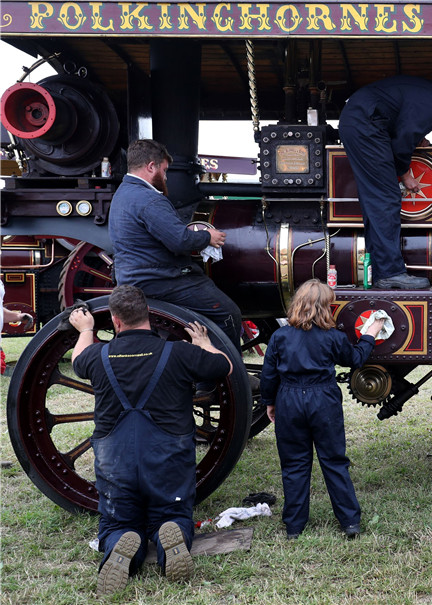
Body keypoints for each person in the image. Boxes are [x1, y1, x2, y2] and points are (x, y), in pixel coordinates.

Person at [69, 285, 232, 595]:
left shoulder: (97, 355)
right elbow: (224, 365)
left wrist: (86, 329)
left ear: (116, 321)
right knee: (172, 515)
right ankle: (169, 535)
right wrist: (203, 342)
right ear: (149, 317)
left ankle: (119, 544)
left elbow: (77, 359)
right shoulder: (180, 353)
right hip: (167, 457)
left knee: (116, 523)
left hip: (115, 460)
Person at [260, 279, 385, 539]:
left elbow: (269, 374)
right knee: (335, 461)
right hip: (323, 398)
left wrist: (270, 402)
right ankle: (350, 522)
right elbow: (356, 359)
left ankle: (294, 526)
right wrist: (371, 332)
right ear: (325, 308)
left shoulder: (280, 336)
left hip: (289, 399)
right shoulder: (333, 337)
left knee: (294, 464)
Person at [339, 76, 432, 289]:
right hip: (365, 125)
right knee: (386, 199)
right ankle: (390, 273)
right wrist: (405, 173)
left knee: (376, 202)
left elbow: (402, 120)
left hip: (364, 121)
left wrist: (417, 136)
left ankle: (377, 269)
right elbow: (402, 140)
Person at [108, 139, 243, 350]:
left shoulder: (123, 194)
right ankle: (221, 376)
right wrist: (208, 237)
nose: (165, 176)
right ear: (151, 166)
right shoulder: (149, 199)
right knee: (228, 313)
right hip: (160, 280)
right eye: (164, 170)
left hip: (133, 278)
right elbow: (180, 242)